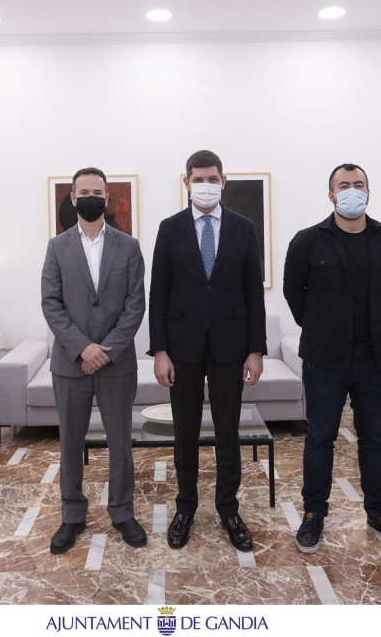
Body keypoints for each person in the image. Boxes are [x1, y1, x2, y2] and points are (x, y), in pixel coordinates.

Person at [283, 164, 381, 555]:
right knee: (320, 437)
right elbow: (294, 293)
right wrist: (322, 327)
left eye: (359, 185)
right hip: (324, 357)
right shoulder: (308, 241)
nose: (352, 191)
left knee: (374, 438)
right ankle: (313, 514)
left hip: (376, 358)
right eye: (344, 186)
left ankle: (379, 513)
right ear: (331, 195)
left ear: (369, 192)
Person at [149, 149, 266, 552]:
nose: (205, 185)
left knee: (227, 433)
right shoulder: (170, 228)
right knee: (185, 432)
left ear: (223, 181)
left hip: (230, 347)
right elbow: (159, 293)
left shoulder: (244, 228)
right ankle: (185, 507)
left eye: (212, 178)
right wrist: (159, 351)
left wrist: (256, 350)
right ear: (186, 183)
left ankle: (229, 510)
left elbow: (253, 293)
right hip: (181, 347)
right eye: (198, 179)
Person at [41, 168, 147, 554]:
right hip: (70, 363)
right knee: (70, 443)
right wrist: (83, 348)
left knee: (121, 442)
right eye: (83, 192)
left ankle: (122, 512)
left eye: (97, 192)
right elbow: (51, 304)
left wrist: (106, 350)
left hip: (117, 364)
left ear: (107, 198)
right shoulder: (57, 247)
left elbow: (135, 304)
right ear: (73, 198)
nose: (90, 197)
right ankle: (72, 515)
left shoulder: (128, 246)